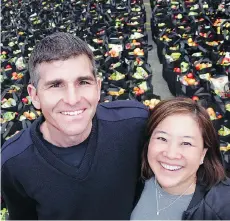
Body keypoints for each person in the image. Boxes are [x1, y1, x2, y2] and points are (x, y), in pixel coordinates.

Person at [1, 32, 149, 220]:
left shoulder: (134, 125)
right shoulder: (14, 161)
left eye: (83, 82)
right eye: (56, 85)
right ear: (35, 95)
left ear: (98, 87)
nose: (72, 99)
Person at [131, 97, 230, 220]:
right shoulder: (131, 181)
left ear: (203, 154)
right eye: (162, 138)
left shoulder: (223, 208)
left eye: (186, 143)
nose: (171, 154)